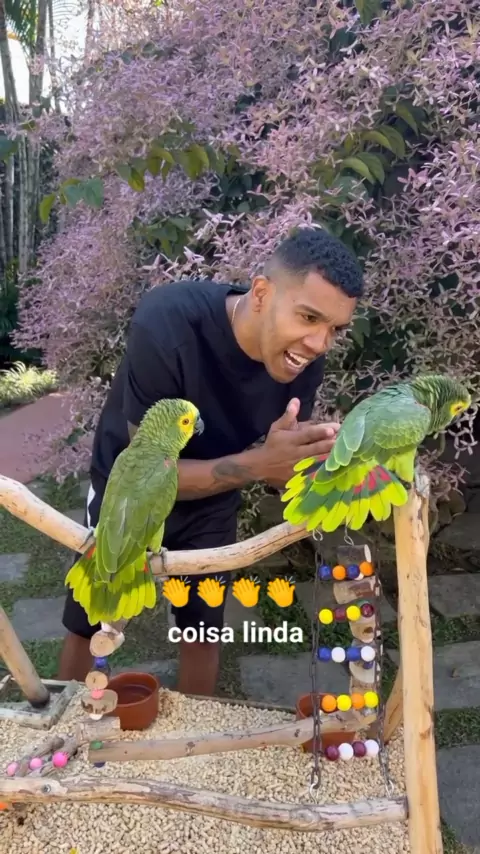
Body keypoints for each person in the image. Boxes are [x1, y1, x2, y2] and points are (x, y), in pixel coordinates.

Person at [58, 226, 364, 693]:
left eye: (334, 330)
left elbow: (281, 464)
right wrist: (260, 464)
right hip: (126, 495)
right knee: (90, 619)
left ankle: (193, 735)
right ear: (260, 294)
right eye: (308, 317)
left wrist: (315, 469)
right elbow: (149, 472)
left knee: (201, 631)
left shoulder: (303, 358)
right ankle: (61, 717)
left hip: (216, 498)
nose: (320, 343)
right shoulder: (166, 324)